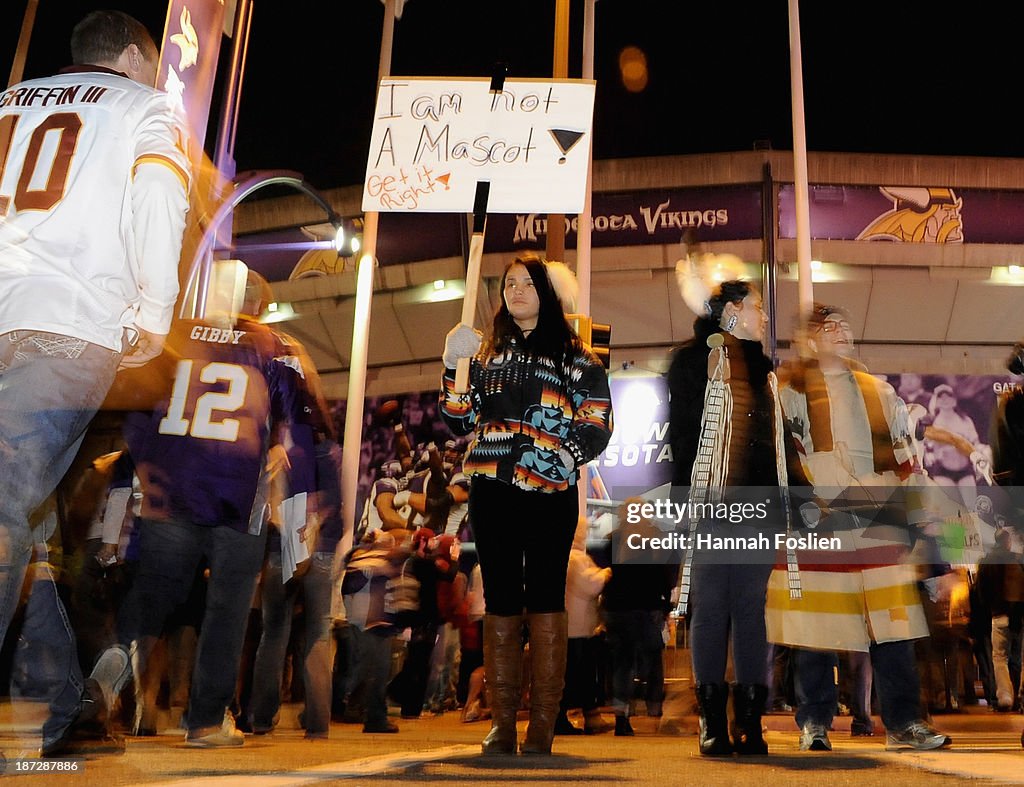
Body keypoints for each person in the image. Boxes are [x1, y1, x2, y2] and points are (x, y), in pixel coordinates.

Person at [0, 9, 190, 757]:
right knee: (19, 515)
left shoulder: (11, 100)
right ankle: (68, 701)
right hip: (69, 325)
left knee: (14, 506)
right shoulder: (145, 106)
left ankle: (64, 701)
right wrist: (151, 309)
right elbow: (159, 195)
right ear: (139, 61)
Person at [90, 269, 317, 748]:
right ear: (260, 303)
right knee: (228, 608)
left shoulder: (174, 336)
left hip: (171, 487)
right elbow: (300, 427)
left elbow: (135, 407)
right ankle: (207, 721)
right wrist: (300, 511)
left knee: (153, 594)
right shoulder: (275, 345)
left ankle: (111, 665)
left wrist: (146, 468)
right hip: (238, 492)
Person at [439, 253, 614, 755]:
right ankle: (502, 723)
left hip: (551, 493)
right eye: (508, 284)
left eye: (526, 284)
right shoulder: (485, 352)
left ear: (547, 293)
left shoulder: (576, 356)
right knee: (500, 600)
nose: (514, 291)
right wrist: (454, 367)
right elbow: (457, 418)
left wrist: (563, 455)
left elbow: (597, 418)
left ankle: (543, 723)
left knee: (545, 597)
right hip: (492, 486)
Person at [765, 304, 951, 752]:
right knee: (815, 628)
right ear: (810, 338)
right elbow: (781, 462)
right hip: (821, 517)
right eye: (830, 327)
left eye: (846, 325)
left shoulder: (880, 392)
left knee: (895, 626)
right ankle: (815, 721)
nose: (843, 332)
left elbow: (910, 465)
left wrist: (929, 544)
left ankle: (905, 723)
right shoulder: (787, 392)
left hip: (877, 516)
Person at [668, 257, 802, 756]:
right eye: (758, 308)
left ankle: (749, 720)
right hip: (709, 504)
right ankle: (711, 723)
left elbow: (776, 445)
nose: (765, 317)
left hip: (757, 508)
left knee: (750, 610)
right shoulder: (691, 363)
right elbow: (683, 439)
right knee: (709, 607)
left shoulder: (765, 370)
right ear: (731, 312)